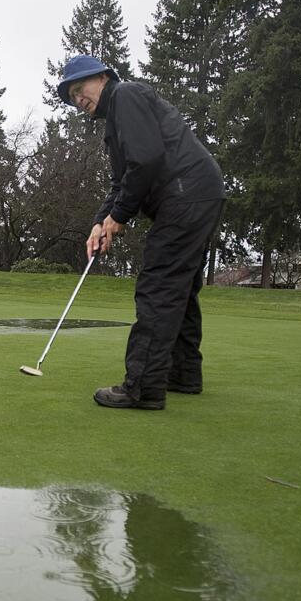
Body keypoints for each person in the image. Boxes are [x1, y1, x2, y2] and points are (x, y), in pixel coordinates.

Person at [56, 54, 225, 410]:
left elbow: (145, 160)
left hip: (186, 194)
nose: (77, 99)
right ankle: (183, 374)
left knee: (159, 284)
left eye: (79, 88)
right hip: (197, 194)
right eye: (71, 96)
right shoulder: (117, 121)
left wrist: (120, 216)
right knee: (179, 287)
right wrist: (99, 223)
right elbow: (123, 181)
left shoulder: (125, 95)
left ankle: (143, 387)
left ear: (103, 77)